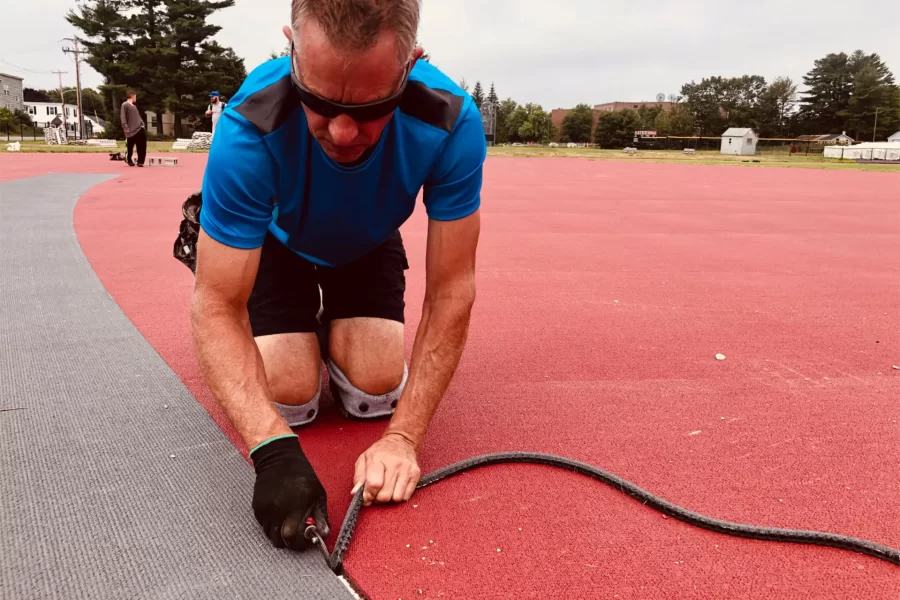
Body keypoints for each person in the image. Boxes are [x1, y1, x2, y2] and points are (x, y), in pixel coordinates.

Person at [190, 0, 485, 551]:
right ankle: (285, 312)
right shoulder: (250, 120)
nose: (345, 133)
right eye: (319, 102)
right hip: (277, 244)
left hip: (368, 241)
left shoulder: (451, 118)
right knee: (290, 396)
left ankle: (331, 331)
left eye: (374, 107)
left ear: (410, 64)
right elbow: (214, 304)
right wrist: (271, 450)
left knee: (377, 391)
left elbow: (451, 292)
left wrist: (403, 437)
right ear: (292, 50)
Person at [120, 90, 146, 167]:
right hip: (130, 129)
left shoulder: (134, 106)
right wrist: (125, 127)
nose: (136, 98)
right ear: (132, 96)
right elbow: (123, 116)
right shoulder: (125, 105)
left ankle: (140, 161)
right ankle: (128, 159)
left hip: (139, 128)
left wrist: (142, 124)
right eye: (135, 96)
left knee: (142, 145)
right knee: (130, 146)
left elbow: (138, 116)